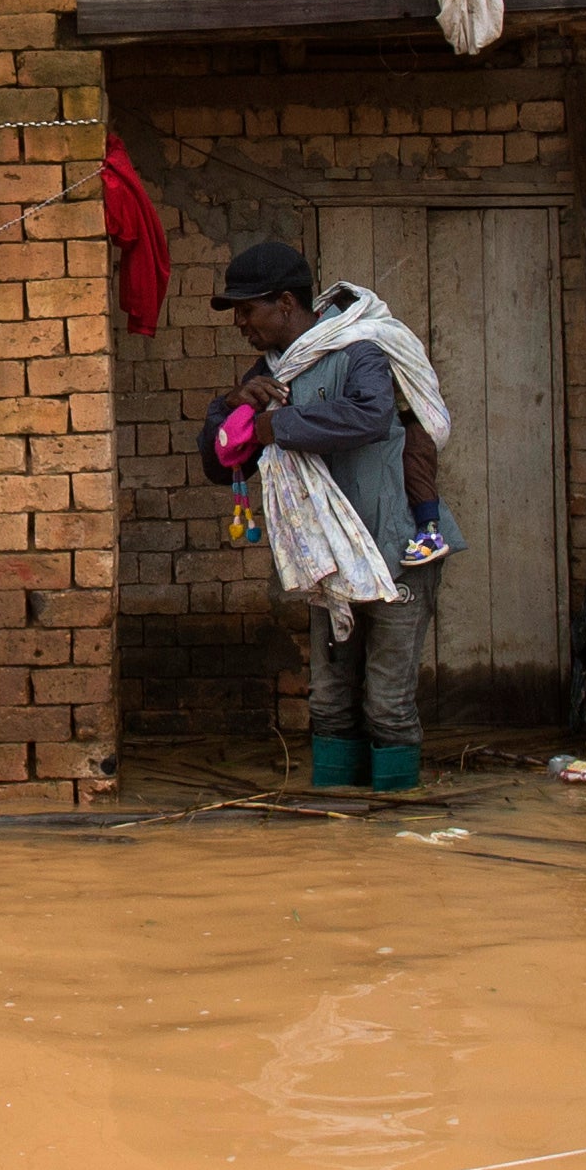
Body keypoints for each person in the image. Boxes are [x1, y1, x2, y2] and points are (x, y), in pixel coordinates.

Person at [206, 238, 452, 794]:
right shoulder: (265, 373)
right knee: (330, 703)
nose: (241, 322)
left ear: (286, 303)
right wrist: (233, 407)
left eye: (248, 309)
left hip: (396, 550)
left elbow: (369, 414)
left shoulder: (361, 350)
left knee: (387, 705)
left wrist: (274, 425)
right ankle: (338, 835)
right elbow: (221, 463)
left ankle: (395, 830)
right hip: (329, 562)